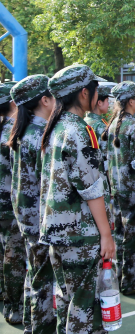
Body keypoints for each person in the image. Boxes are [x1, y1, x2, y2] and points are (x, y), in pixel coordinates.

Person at [39, 64, 115, 334]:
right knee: (84, 309)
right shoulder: (80, 131)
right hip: (80, 234)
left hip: (58, 231)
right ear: (84, 93)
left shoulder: (56, 127)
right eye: (95, 90)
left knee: (67, 302)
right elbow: (91, 189)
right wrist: (106, 234)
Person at [8, 76, 57, 333]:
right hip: (38, 216)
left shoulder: (23, 131)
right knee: (43, 278)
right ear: (44, 100)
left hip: (25, 213)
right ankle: (40, 326)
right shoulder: (40, 135)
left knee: (35, 273)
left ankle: (31, 324)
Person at [105, 81, 135, 296]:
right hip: (133, 191)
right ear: (131, 101)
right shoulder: (134, 126)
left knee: (121, 234)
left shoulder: (114, 123)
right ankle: (131, 281)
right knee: (134, 236)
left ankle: (122, 275)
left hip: (117, 189)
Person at [0, 81, 26, 325]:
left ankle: (4, 294)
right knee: (14, 256)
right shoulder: (13, 130)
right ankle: (14, 305)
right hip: (9, 204)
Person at [84, 84, 113, 158]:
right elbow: (105, 155)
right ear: (99, 103)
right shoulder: (101, 126)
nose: (108, 104)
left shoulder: (84, 120)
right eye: (107, 101)